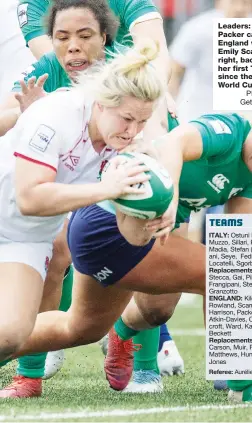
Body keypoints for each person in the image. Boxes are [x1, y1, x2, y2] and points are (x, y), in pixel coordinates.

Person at [4, 112, 252, 402]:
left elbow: (238, 245)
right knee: (225, 275)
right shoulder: (230, 129)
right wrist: (169, 203)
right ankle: (244, 387)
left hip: (115, 231)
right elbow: (172, 144)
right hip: (111, 221)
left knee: (84, 326)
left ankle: (119, 333)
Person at [0, 40, 175, 394]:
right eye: (127, 118)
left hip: (25, 237)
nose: (132, 130)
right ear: (101, 103)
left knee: (11, 334)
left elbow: (130, 229)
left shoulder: (126, 143)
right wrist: (106, 189)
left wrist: (153, 215)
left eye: (141, 121)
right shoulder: (58, 113)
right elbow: (30, 197)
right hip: (16, 211)